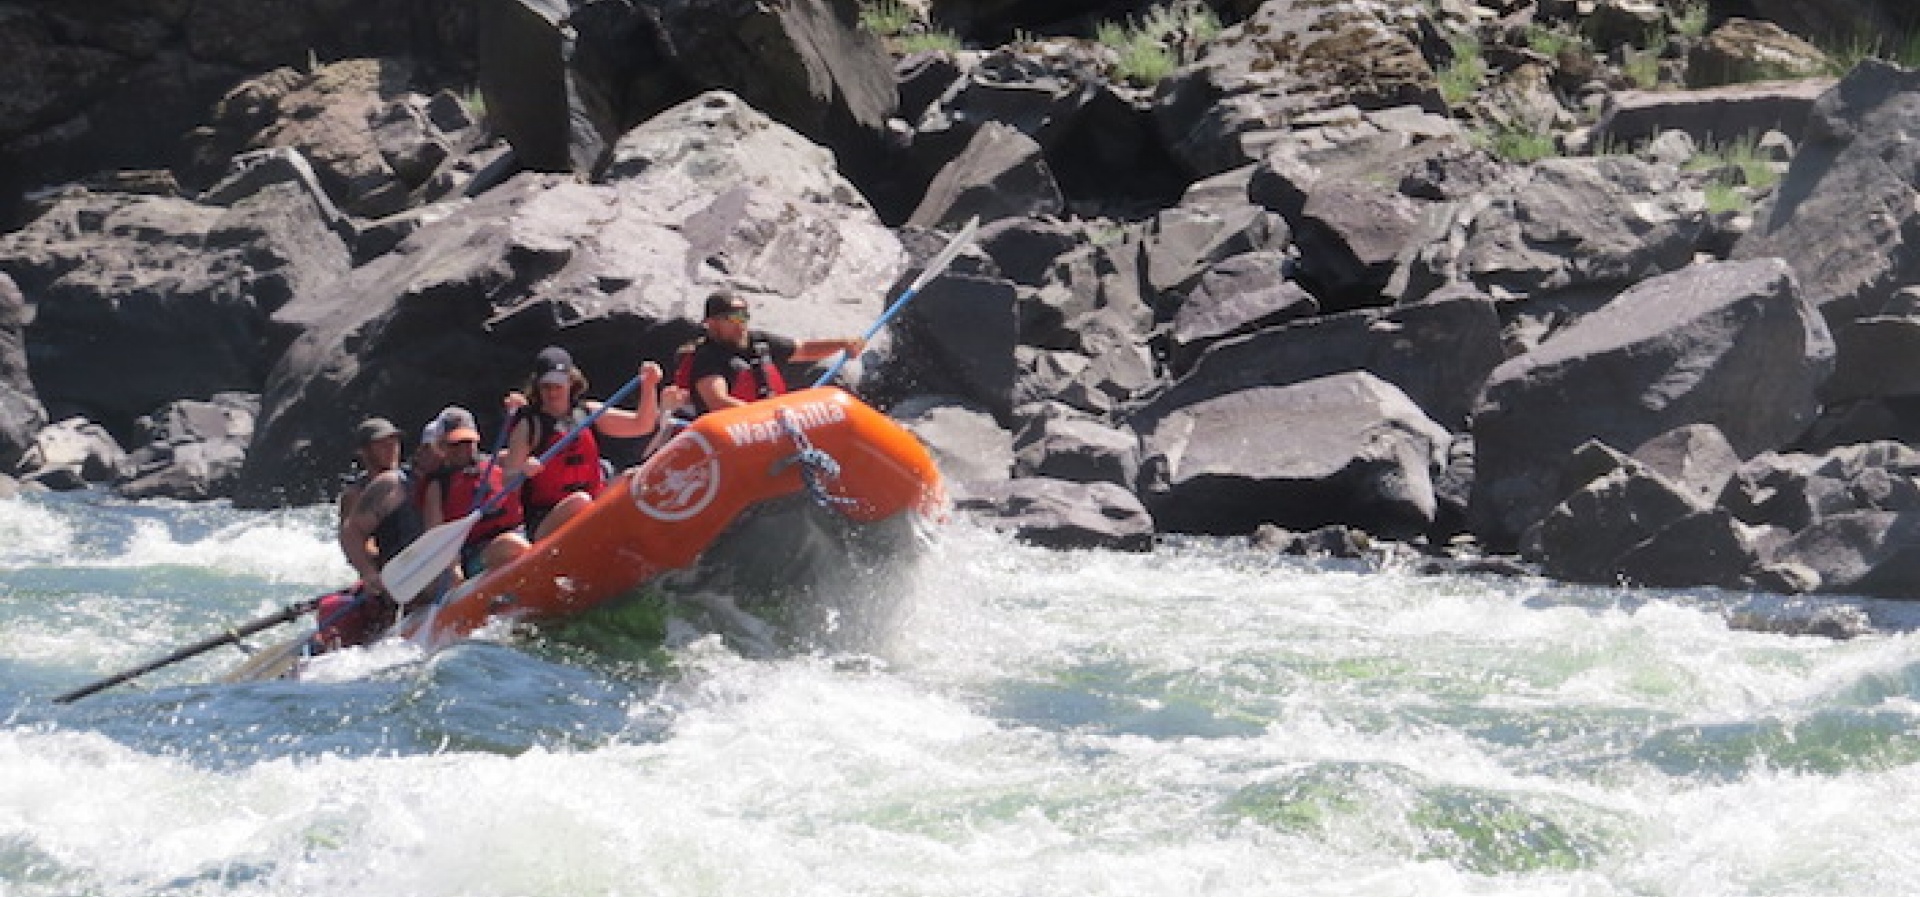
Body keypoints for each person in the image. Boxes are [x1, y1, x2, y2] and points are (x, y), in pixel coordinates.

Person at [502, 346, 682, 541]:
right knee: (579, 502)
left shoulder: (588, 413)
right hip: (548, 519)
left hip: (594, 506)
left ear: (570, 382)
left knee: (634, 477)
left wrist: (649, 387)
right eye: (546, 386)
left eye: (558, 385)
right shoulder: (529, 425)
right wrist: (522, 473)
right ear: (537, 386)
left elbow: (642, 425)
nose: (552, 392)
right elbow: (507, 482)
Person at [315, 417, 420, 651]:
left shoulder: (410, 480)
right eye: (381, 444)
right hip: (384, 570)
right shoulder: (355, 495)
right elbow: (354, 538)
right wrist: (373, 571)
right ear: (363, 452)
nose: (391, 449)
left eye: (394, 442)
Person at [672, 290, 866, 417]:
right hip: (734, 431)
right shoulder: (708, 356)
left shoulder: (759, 341)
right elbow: (717, 401)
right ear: (711, 323)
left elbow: (804, 349)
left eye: (743, 316)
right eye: (731, 318)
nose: (740, 323)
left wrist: (843, 343)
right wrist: (768, 415)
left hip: (768, 423)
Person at [421, 405, 526, 577]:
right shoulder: (437, 486)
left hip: (520, 533)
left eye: (467, 442)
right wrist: (453, 568)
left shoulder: (500, 462)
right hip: (478, 554)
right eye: (456, 444)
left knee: (576, 502)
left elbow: (526, 443)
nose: (464, 449)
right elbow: (436, 537)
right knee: (509, 544)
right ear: (442, 446)